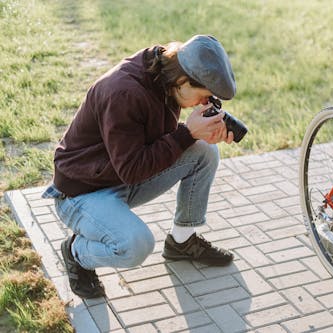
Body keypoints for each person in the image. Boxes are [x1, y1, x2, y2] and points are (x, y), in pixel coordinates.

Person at [42, 35, 237, 299]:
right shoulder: (124, 93)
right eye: (204, 96)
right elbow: (133, 169)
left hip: (117, 176)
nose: (205, 103)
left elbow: (144, 151)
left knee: (204, 151)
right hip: (82, 193)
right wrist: (187, 134)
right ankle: (77, 251)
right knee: (136, 246)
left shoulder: (165, 75)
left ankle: (182, 241)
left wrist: (198, 134)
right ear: (183, 81)